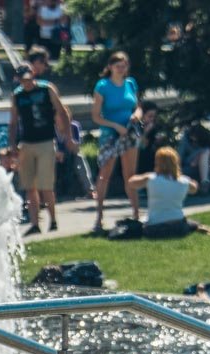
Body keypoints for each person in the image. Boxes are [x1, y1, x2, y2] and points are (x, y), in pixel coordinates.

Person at [9, 50, 75, 235]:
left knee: (46, 185)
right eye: (23, 80)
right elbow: (13, 122)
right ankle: (35, 222)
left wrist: (67, 137)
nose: (27, 83)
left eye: (29, 79)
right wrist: (13, 144)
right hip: (27, 143)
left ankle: (53, 220)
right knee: (29, 186)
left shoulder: (47, 89)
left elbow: (62, 112)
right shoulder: (17, 95)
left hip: (46, 141)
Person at [91, 51, 142, 233]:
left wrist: (136, 115)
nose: (121, 69)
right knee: (105, 174)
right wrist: (115, 126)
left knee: (130, 174)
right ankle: (99, 217)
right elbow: (96, 116)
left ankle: (136, 213)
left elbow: (137, 106)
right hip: (110, 134)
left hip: (129, 132)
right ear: (110, 67)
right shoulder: (103, 86)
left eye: (124, 66)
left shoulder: (130, 83)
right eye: (118, 66)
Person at [126, 146, 210, 238]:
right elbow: (194, 189)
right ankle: (200, 227)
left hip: (155, 228)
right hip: (179, 227)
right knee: (191, 223)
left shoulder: (150, 178)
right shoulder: (184, 181)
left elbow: (131, 182)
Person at [179, 123, 210, 195]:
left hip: (206, 161)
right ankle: (204, 182)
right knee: (205, 152)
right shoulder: (186, 139)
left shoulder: (209, 139)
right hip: (191, 161)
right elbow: (180, 156)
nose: (193, 140)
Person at [135, 100, 169, 175]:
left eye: (154, 116)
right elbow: (140, 146)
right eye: (150, 116)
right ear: (142, 116)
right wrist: (146, 132)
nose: (152, 119)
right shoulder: (137, 127)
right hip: (139, 162)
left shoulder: (154, 127)